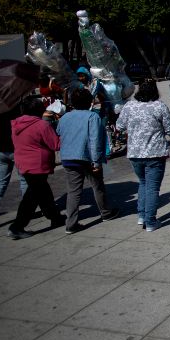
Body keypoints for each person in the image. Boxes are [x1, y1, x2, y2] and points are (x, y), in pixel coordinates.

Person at [116, 80, 170, 231]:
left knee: (143, 183)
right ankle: (150, 221)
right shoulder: (159, 106)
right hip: (155, 153)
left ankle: (142, 216)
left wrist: (133, 130)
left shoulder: (130, 106)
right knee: (152, 187)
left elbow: (119, 126)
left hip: (135, 153)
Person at [56, 87, 120, 234]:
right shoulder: (92, 117)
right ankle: (105, 212)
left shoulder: (65, 117)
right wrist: (96, 161)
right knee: (97, 186)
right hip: (87, 157)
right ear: (90, 102)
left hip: (68, 157)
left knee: (73, 191)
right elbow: (95, 140)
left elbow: (59, 132)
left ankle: (71, 223)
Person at [7, 97, 65, 239]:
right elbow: (56, 144)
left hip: (24, 163)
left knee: (43, 192)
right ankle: (17, 226)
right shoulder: (41, 125)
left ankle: (55, 217)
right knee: (32, 196)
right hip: (38, 164)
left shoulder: (16, 124)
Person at [0, 106, 28, 229]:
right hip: (15, 149)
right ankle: (26, 211)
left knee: (0, 183)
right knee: (24, 180)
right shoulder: (17, 110)